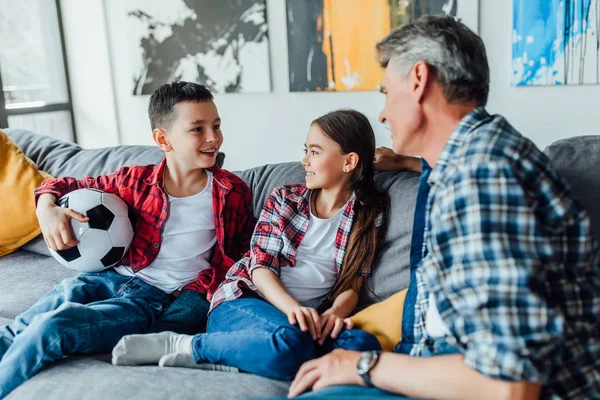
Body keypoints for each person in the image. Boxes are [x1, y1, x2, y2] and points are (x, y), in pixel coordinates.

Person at [278, 15, 600, 400]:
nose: (382, 114)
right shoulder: (472, 156)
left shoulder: (483, 177)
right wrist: (407, 161)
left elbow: (509, 385)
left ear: (418, 79)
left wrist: (362, 366)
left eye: (385, 93)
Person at [0, 81, 254, 399]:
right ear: (163, 139)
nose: (213, 138)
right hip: (106, 277)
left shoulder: (231, 192)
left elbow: (237, 253)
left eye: (215, 126)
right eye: (198, 129)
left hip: (150, 298)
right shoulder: (135, 180)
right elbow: (65, 184)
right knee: (21, 325)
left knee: (52, 329)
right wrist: (46, 206)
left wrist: (196, 295)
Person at [111, 109, 390, 381]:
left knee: (363, 345)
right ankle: (188, 346)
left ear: (349, 161)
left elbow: (354, 282)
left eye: (314, 152)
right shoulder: (285, 199)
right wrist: (293, 310)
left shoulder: (368, 212)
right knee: (291, 343)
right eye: (305, 150)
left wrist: (332, 316)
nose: (304, 161)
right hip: (245, 300)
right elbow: (260, 267)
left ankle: (239, 360)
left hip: (306, 318)